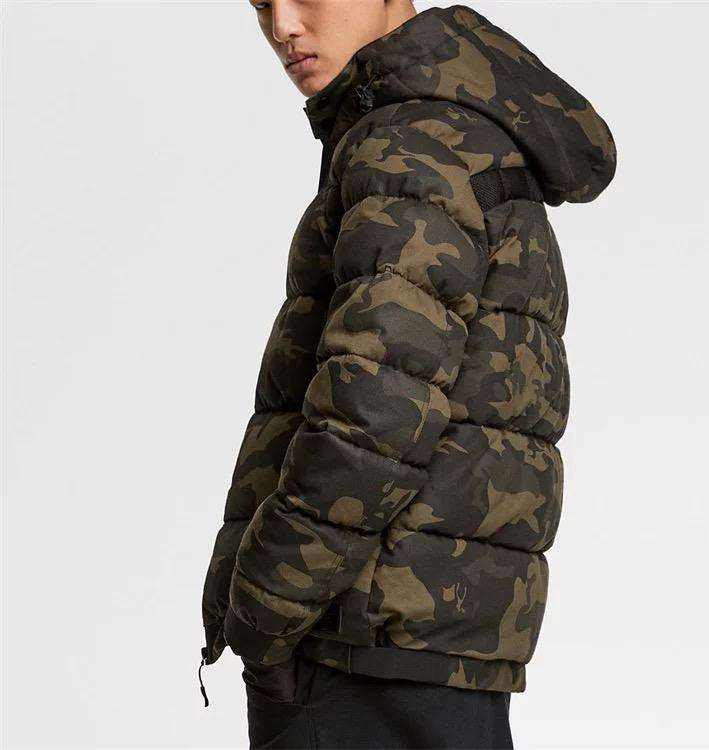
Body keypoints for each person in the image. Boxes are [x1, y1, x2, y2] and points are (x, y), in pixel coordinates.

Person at [200, 1, 616, 747]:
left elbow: (376, 414)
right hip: (433, 633)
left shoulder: (408, 145)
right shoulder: (460, 132)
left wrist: (263, 607)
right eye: (261, 4)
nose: (284, 26)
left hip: (362, 634)